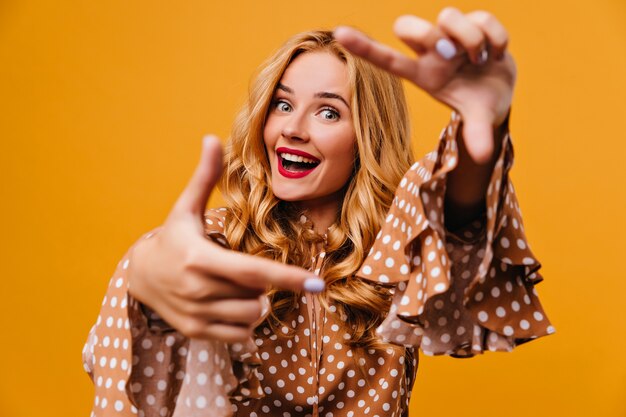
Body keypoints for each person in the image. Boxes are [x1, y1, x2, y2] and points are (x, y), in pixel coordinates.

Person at [83, 7, 554, 417]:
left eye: (327, 112)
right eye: (282, 104)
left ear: (368, 138)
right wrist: (146, 277)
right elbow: (157, 277)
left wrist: (485, 127)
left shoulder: (394, 249)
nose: (292, 128)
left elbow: (457, 208)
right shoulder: (214, 247)